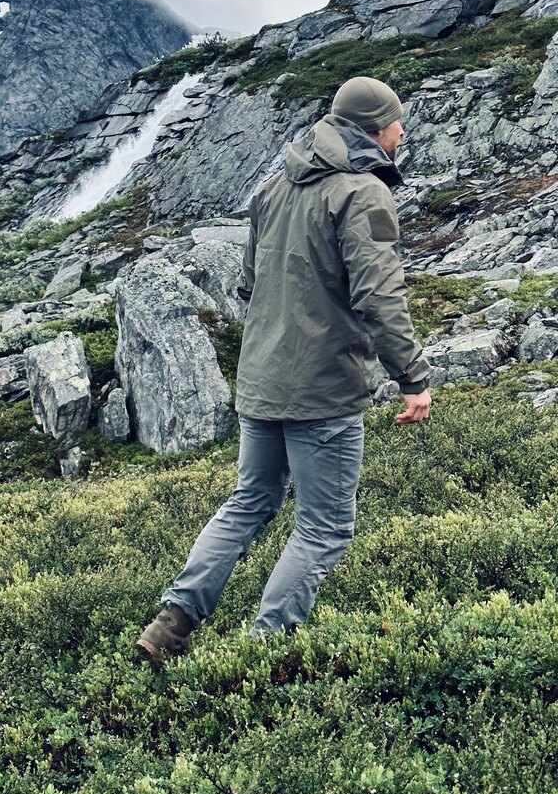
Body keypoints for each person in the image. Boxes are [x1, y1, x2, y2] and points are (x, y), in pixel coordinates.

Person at [136, 75, 432, 667]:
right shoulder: (362, 193)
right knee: (323, 529)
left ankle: (172, 623)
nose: (403, 132)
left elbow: (248, 285)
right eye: (399, 122)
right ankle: (263, 654)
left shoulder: (274, 187)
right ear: (376, 128)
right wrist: (413, 377)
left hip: (261, 381)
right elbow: (379, 296)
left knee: (249, 501)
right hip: (321, 389)